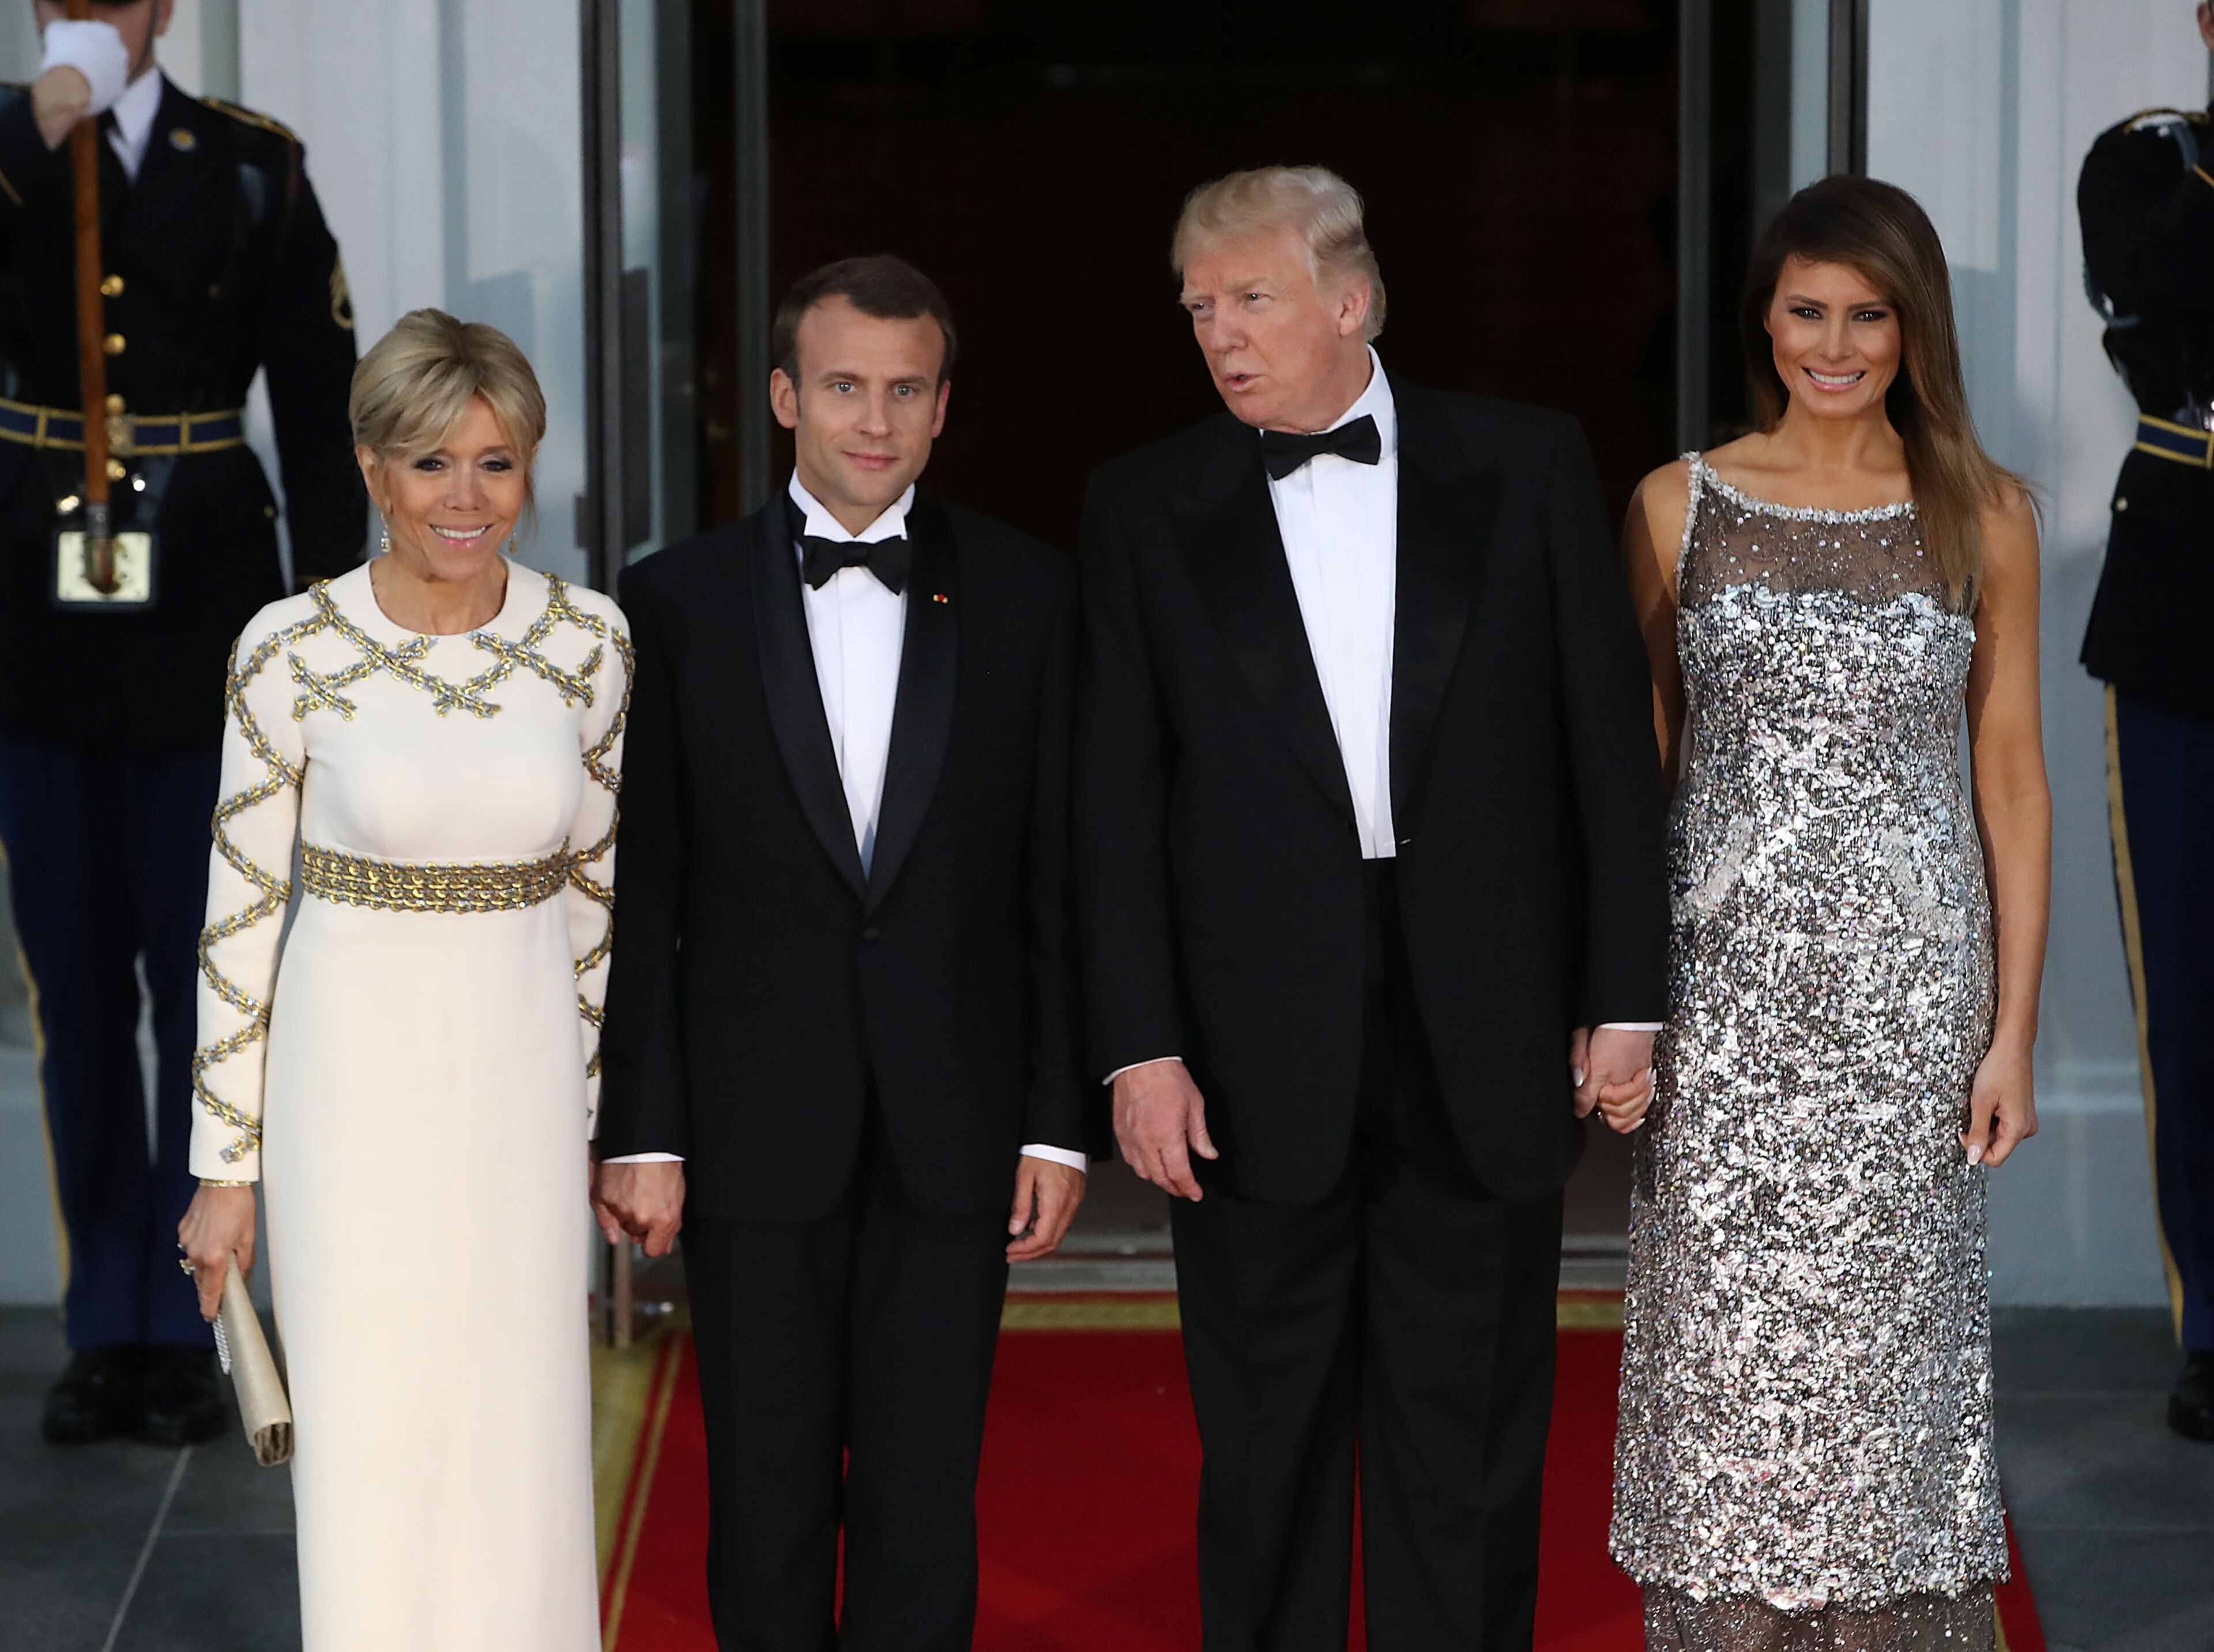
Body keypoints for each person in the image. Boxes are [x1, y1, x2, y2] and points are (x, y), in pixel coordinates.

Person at [1077, 165, 1669, 1650]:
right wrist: (1137, 1046)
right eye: (1199, 306)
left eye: (1251, 297)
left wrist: (1628, 992)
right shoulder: (1144, 504)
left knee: (1464, 1445)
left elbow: (1604, 749)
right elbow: (1113, 802)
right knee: (1265, 1447)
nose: (1219, 332)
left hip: (1482, 1026)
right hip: (1243, 1045)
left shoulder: (1525, 465)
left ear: (1352, 300)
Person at [591, 254, 1090, 1652]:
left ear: (942, 407)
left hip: (959, 1118)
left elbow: (1061, 880)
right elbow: (649, 886)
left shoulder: (1034, 595)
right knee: (763, 1497)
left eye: (906, 389)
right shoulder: (670, 600)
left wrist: (1055, 1124)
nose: (874, 419)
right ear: (783, 396)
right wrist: (645, 1124)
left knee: (930, 1501)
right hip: (753, 1128)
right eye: (844, 385)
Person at [1609, 176, 2050, 1650]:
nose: (1838, 344)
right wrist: (1622, 1007)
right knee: (1731, 1374)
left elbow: (2014, 783)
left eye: (1870, 314)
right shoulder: (1677, 503)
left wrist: (2015, 1036)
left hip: (1911, 1014)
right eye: (1810, 310)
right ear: (1767, 317)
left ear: (1914, 327)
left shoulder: (1984, 514)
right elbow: (1648, 777)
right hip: (1729, 1015)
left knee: (1891, 1378)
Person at [175, 311, 626, 1651]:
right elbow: (241, 915)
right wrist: (225, 1163)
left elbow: (598, 901)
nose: (466, 498)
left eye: (496, 462)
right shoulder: (288, 647)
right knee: (374, 1444)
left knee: (523, 1436)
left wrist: (596, 1120)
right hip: (349, 1099)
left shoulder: (590, 642)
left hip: (524, 1094)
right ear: (373, 469)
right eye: (431, 464)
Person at [0, 0, 362, 1445]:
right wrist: (40, 129)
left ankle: (193, 1306)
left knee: (207, 985)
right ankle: (107, 1321)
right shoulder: (5, 149)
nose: (85, 10)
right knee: (74, 985)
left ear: (161, 7)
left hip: (210, 617)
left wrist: (342, 639)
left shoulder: (254, 163)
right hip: (33, 621)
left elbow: (324, 398)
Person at [2076, 1, 2214, 1445]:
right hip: (2193, 600)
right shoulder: (2153, 161)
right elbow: (2164, 273)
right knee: (2194, 981)